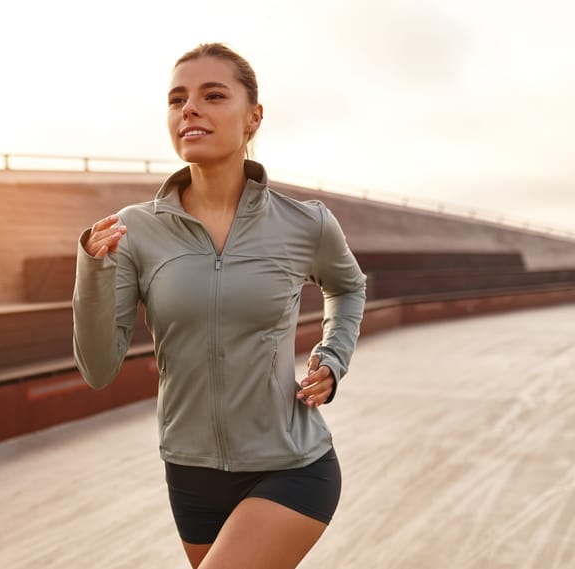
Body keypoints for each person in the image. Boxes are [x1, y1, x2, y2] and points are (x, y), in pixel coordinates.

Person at [72, 43, 366, 569]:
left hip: (292, 464)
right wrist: (93, 269)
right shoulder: (133, 230)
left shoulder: (306, 224)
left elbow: (347, 287)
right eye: (177, 98)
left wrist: (333, 355)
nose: (190, 108)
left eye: (213, 95)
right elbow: (98, 369)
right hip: (190, 474)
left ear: (253, 116)